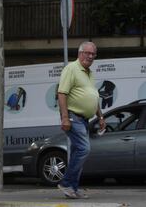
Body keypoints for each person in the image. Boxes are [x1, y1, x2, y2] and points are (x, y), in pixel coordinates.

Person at [57, 41, 106, 199]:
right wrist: (65, 117)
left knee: (78, 151)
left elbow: (94, 97)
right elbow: (62, 93)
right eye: (87, 53)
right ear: (80, 53)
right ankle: (66, 183)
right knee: (84, 149)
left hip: (84, 119)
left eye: (93, 54)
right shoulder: (71, 68)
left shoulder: (89, 73)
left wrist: (100, 116)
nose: (90, 56)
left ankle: (73, 188)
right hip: (73, 116)